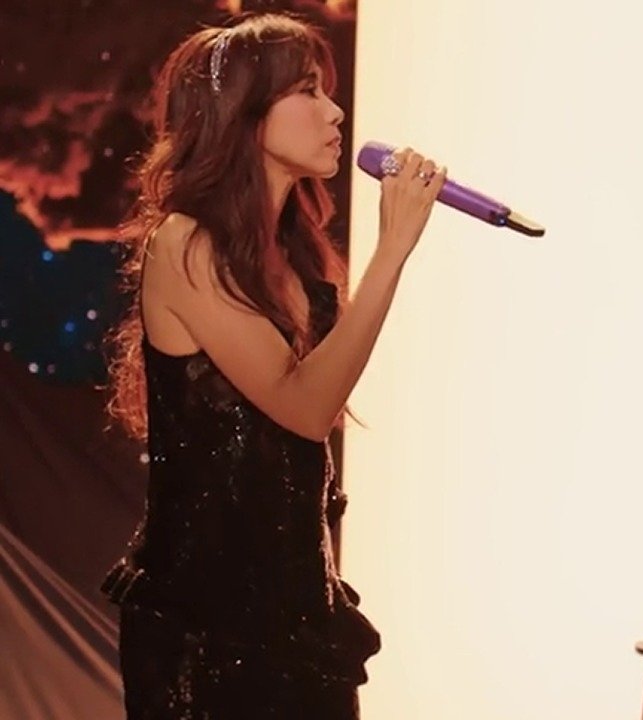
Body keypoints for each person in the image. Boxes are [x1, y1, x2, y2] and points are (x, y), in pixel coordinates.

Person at [102, 13, 445, 718]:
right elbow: (304, 408)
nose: (335, 112)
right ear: (244, 113)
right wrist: (392, 251)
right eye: (308, 91)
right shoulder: (185, 244)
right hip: (206, 630)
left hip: (297, 615)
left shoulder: (293, 258)